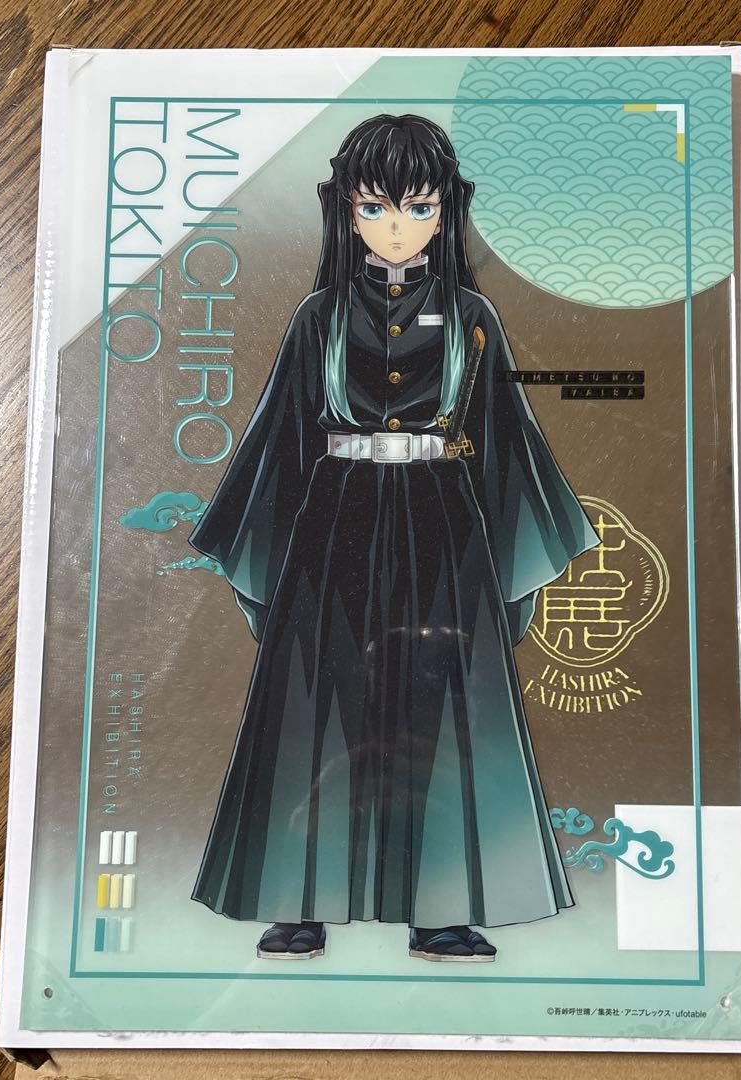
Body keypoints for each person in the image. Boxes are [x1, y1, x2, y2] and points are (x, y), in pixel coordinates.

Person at [188, 114, 599, 963]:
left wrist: (511, 560)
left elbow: (505, 439)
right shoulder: (319, 318)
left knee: (440, 701)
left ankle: (439, 908)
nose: (398, 226)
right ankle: (299, 900)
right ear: (346, 208)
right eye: (375, 207)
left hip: (441, 517)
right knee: (316, 697)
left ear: (447, 209)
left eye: (418, 206)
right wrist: (266, 552)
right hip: (333, 518)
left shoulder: (474, 316)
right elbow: (279, 440)